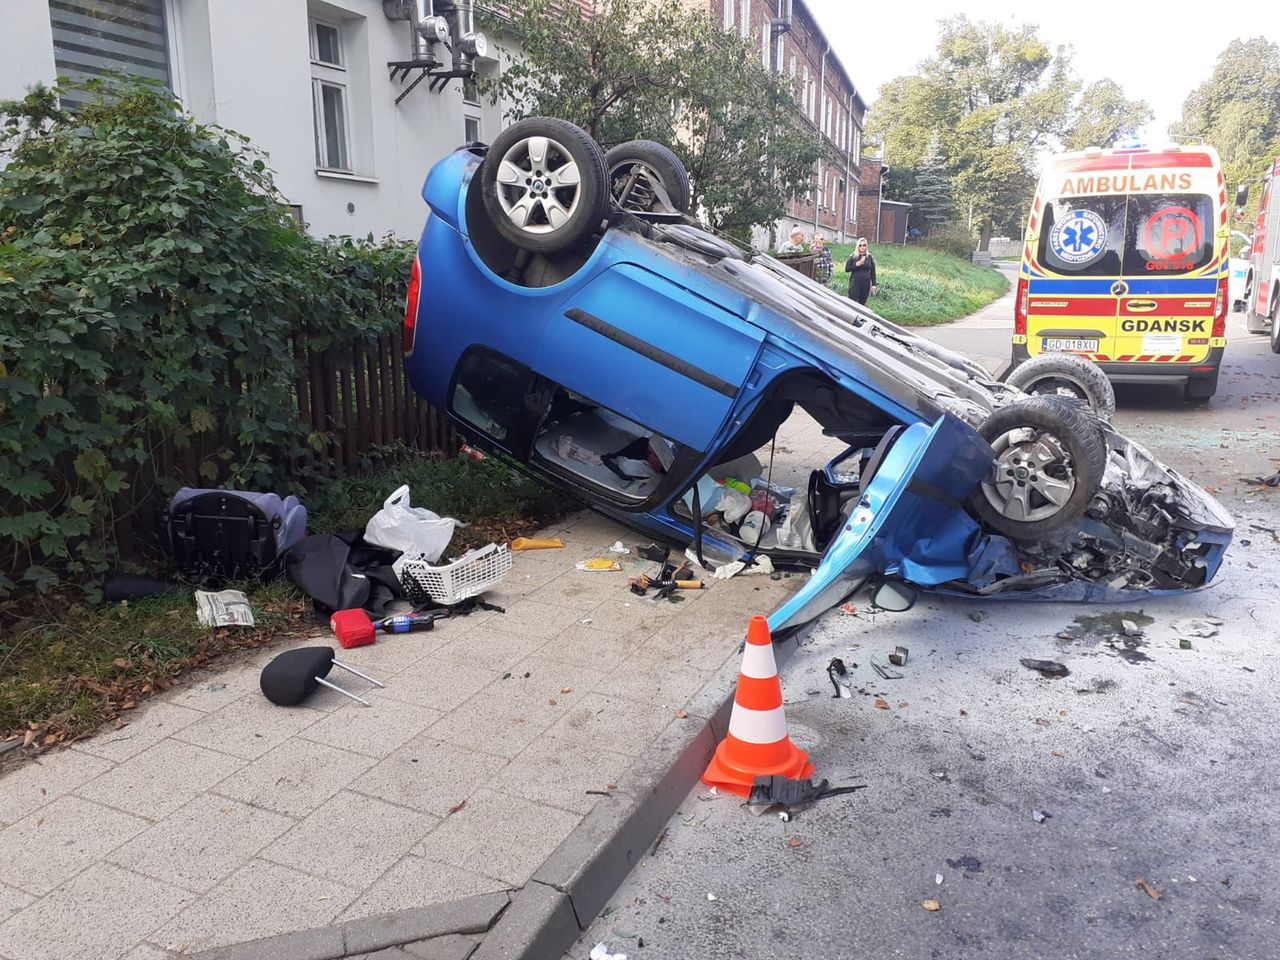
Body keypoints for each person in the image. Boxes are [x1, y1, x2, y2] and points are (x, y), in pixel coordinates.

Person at [845, 237, 877, 304]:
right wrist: (857, 264)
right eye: (860, 245)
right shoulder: (853, 256)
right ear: (857, 246)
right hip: (855, 283)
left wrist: (874, 284)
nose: (862, 247)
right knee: (852, 303)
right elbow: (847, 269)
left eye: (864, 245)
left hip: (866, 283)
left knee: (862, 304)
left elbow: (873, 272)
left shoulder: (869, 257)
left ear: (866, 246)